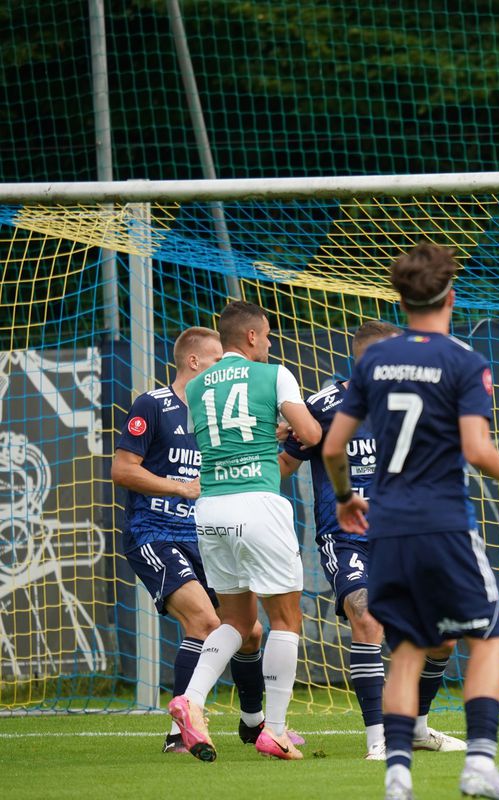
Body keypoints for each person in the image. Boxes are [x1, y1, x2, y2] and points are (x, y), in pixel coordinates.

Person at [322, 243, 499, 800]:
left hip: (386, 527)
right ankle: (480, 765)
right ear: (450, 296)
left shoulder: (372, 363)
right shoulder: (463, 360)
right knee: (489, 638)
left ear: (401, 300)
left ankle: (397, 778)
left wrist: (346, 497)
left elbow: (332, 448)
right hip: (443, 523)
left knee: (406, 649)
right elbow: (477, 449)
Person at [279, 320, 466, 759]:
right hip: (347, 538)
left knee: (444, 637)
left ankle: (416, 728)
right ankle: (378, 739)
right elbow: (285, 463)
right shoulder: (323, 406)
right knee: (366, 617)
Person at [167, 301, 322, 762]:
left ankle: (191, 699)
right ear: (252, 336)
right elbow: (311, 434)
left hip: (211, 508)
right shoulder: (274, 375)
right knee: (286, 620)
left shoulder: (197, 385)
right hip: (258, 503)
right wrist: (289, 428)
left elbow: (222, 436)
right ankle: (273, 730)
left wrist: (266, 432)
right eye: (268, 335)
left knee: (235, 621)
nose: (270, 343)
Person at [113, 327, 279, 754]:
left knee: (251, 631)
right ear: (193, 362)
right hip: (155, 532)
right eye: (217, 360)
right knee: (205, 624)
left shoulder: (215, 414)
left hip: (205, 534)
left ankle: (253, 724)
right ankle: (179, 734)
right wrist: (179, 487)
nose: (224, 369)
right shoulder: (153, 405)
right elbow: (122, 469)